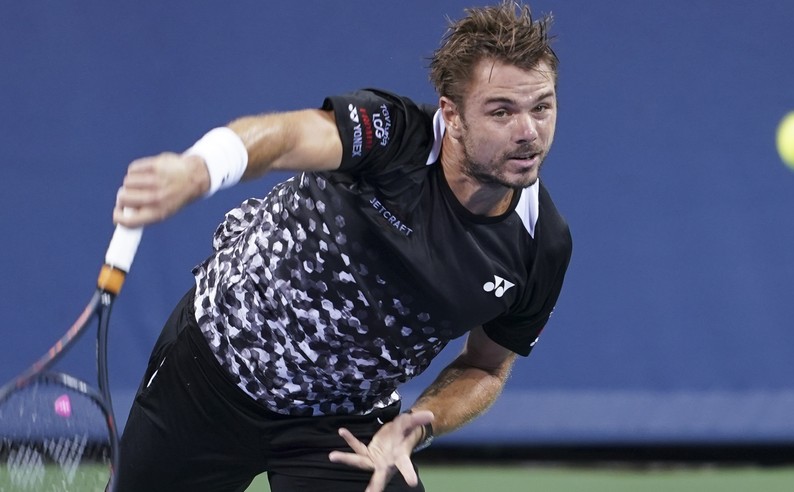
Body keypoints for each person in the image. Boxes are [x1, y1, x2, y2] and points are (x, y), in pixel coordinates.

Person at [112, 1, 571, 491]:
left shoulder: (540, 246)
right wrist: (198, 170)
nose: (529, 133)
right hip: (215, 370)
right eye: (502, 111)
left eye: (541, 106)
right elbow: (288, 138)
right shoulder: (393, 137)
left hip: (343, 423)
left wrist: (423, 421)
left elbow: (486, 365)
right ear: (452, 115)